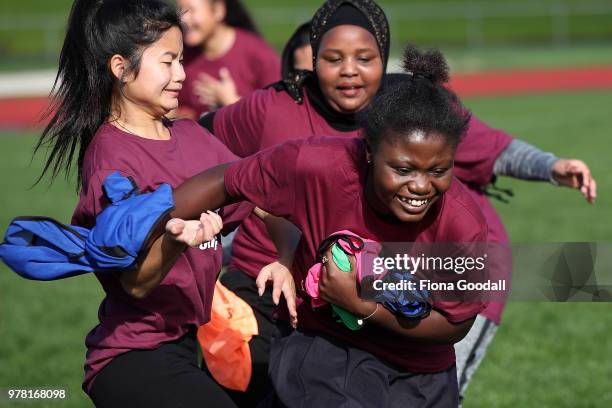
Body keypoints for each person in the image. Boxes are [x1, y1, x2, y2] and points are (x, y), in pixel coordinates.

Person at [199, 0, 597, 401]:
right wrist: (211, 232)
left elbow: (490, 147)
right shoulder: (274, 107)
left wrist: (551, 166)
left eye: (364, 57)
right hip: (287, 294)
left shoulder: (415, 114)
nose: (349, 70)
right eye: (330, 59)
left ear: (384, 59)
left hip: (427, 286)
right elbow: (203, 155)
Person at [142, 45, 487, 406]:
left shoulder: (462, 224)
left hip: (420, 374)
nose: (420, 186)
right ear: (369, 150)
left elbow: (455, 323)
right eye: (402, 169)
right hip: (327, 348)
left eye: (438, 170)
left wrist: (362, 305)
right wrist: (142, 225)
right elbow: (225, 182)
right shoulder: (315, 165)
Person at [31, 0, 274, 406]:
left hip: (186, 346)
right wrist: (177, 239)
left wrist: (286, 255)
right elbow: (136, 284)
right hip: (132, 360)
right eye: (168, 62)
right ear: (121, 67)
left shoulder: (193, 137)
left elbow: (260, 191)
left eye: (182, 60)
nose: (182, 74)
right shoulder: (111, 157)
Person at [176, 0, 280, 117]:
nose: (183, 19)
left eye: (192, 10)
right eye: (180, 10)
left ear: (218, 10)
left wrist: (231, 101)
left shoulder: (259, 53)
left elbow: (279, 111)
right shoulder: (180, 56)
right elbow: (181, 108)